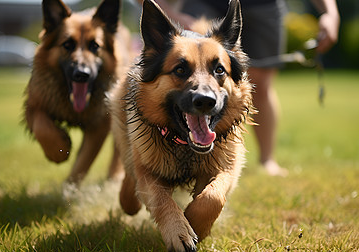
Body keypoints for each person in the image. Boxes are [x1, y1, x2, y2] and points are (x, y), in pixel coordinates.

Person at [141, 0, 340, 176]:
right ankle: (164, 166)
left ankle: (266, 160)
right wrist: (171, 15)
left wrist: (330, 13)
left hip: (264, 5)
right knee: (188, 82)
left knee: (261, 85)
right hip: (202, 4)